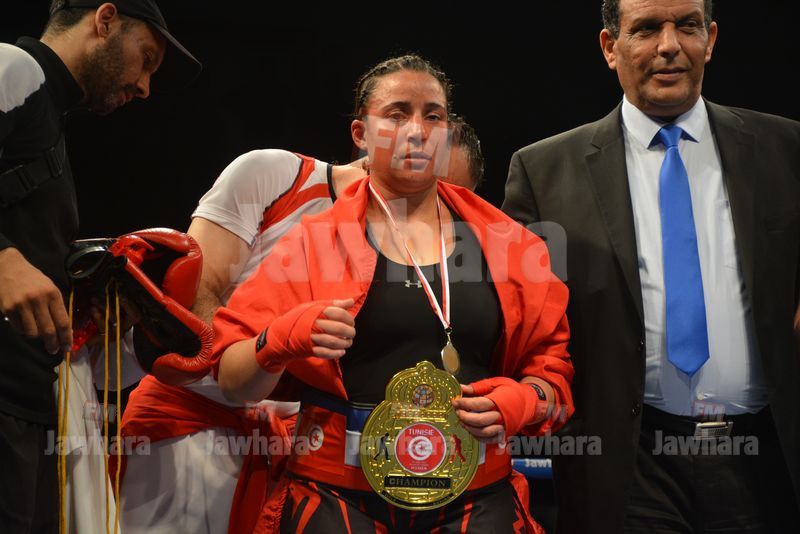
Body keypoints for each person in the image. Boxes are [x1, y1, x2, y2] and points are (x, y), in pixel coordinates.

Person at [211, 54, 574, 533]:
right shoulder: (311, 244)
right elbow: (232, 380)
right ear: (361, 134)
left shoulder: (509, 244)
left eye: (433, 116)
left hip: (476, 498)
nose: (417, 131)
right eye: (397, 114)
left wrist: (525, 400)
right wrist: (276, 340)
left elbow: (553, 376)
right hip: (338, 497)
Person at [502, 1, 800, 532]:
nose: (669, 45)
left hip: (768, 456)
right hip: (626, 465)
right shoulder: (543, 171)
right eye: (645, 29)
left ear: (710, 39)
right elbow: (519, 323)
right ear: (609, 47)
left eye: (686, 26)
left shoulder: (787, 148)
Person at [117, 114, 485, 533]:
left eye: (453, 198)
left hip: (308, 456)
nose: (435, 204)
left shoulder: (438, 259)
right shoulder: (274, 176)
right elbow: (196, 290)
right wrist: (259, 355)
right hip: (195, 430)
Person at [0, 1, 200, 531]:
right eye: (146, 59)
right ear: (105, 20)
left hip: (30, 406)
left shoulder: (49, 120)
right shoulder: (13, 67)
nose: (145, 87)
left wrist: (88, 302)